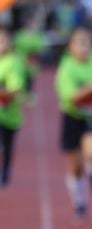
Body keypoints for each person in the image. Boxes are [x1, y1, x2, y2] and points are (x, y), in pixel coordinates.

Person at [54, 26, 92, 222]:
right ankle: (80, 203)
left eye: (88, 43)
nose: (84, 47)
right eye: (80, 43)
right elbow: (72, 97)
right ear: (71, 47)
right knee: (76, 168)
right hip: (72, 117)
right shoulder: (67, 69)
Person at [0, 27, 26, 187]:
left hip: (10, 113)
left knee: (8, 144)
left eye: (3, 41)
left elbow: (15, 89)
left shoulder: (13, 62)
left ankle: (6, 168)